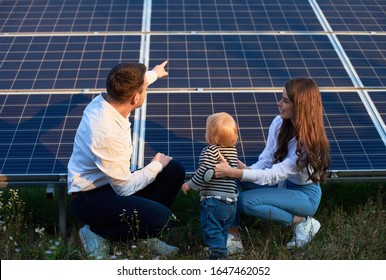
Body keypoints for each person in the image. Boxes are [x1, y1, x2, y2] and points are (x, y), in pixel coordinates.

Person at [67, 61, 186, 258]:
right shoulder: (106, 132)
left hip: (110, 182)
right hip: (89, 197)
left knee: (173, 170)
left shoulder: (109, 98)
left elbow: (137, 84)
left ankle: (142, 234)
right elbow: (124, 188)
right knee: (161, 220)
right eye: (144, 88)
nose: (145, 89)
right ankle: (96, 233)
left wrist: (154, 74)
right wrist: (155, 165)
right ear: (135, 97)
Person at [215, 77, 330, 250]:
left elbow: (273, 174)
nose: (279, 104)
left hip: (305, 195)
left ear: (300, 106)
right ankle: (233, 236)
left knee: (245, 201)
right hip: (281, 184)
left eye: (284, 101)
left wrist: (238, 173)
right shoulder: (278, 123)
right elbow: (267, 160)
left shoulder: (308, 144)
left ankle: (302, 222)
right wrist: (247, 170)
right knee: (230, 179)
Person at [182, 112, 239, 259]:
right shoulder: (232, 151)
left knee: (212, 230)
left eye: (207, 131)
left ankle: (217, 256)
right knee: (222, 229)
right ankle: (221, 249)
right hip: (231, 202)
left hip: (214, 201)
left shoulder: (211, 151)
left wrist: (189, 184)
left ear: (211, 136)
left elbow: (204, 172)